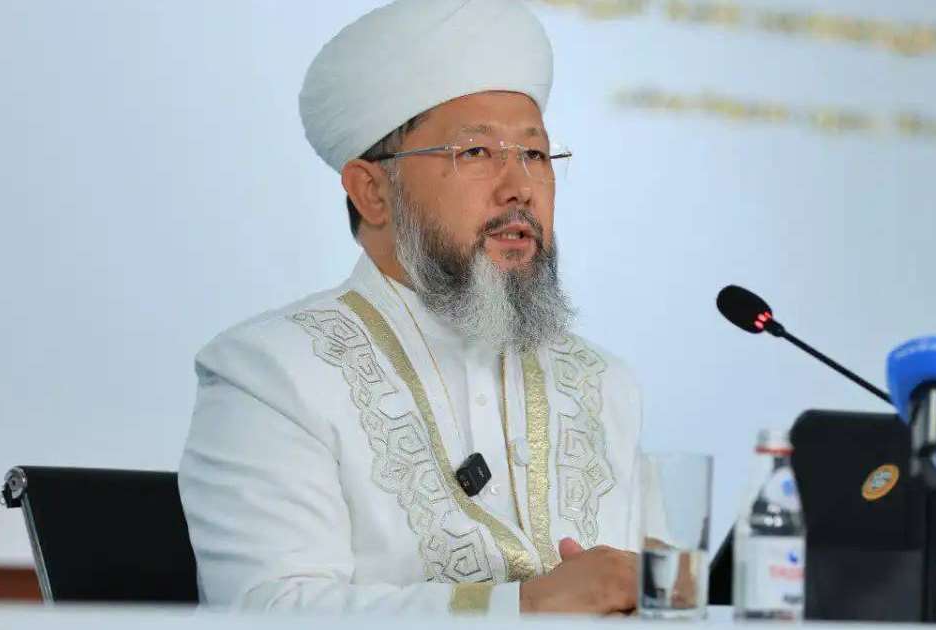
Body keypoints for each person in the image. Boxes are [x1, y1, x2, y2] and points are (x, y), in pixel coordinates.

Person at [177, 0, 643, 617]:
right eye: (475, 154)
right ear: (371, 190)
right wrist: (521, 608)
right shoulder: (270, 373)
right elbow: (268, 609)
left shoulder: (603, 383)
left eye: (533, 155)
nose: (519, 187)